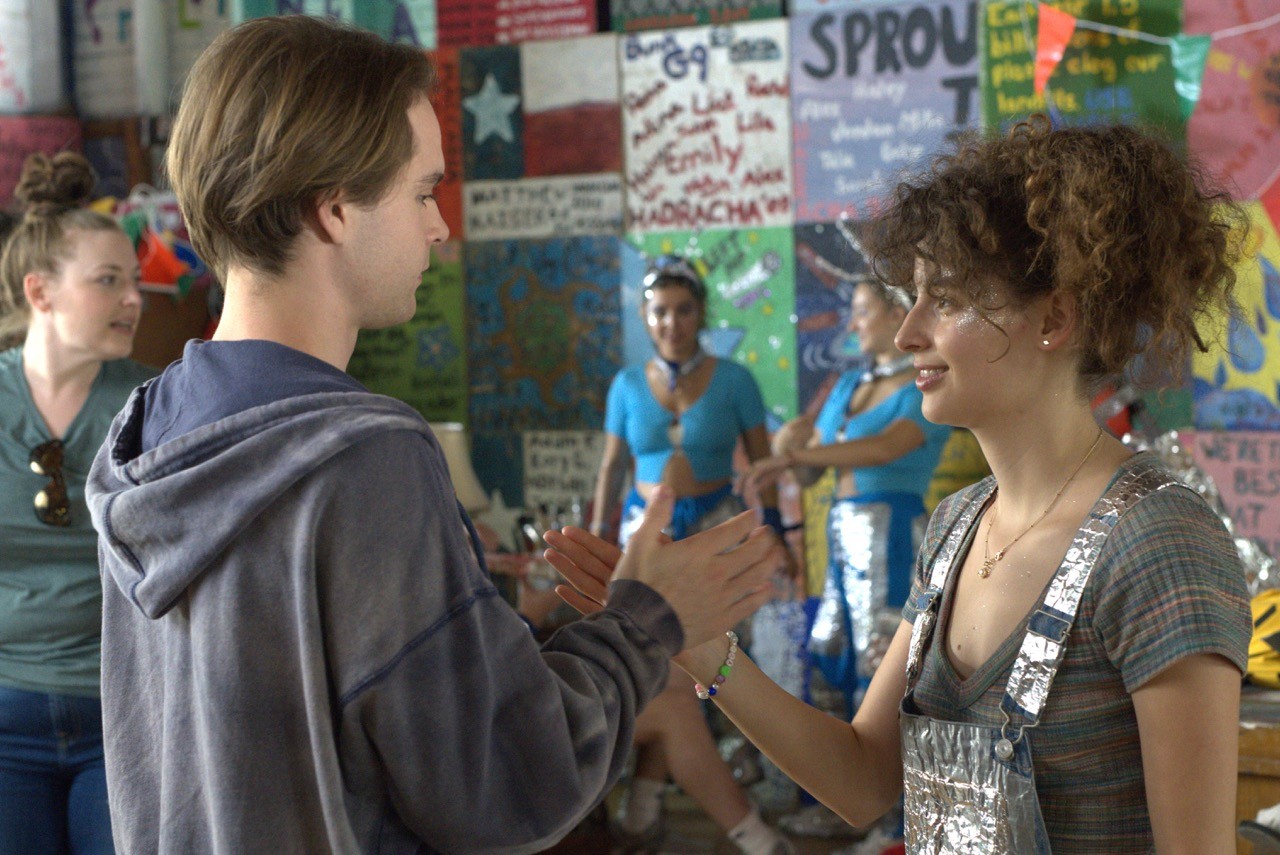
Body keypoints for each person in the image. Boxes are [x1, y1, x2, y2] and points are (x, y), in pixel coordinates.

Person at [84, 16, 783, 854]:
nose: (440, 226)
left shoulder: (141, 432)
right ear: (335, 208)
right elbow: (504, 783)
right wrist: (648, 619)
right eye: (422, 191)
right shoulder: (365, 455)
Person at [546, 116, 1252, 854]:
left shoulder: (1160, 542)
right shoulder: (955, 528)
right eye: (911, 298)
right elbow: (862, 780)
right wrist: (701, 650)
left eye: (943, 299)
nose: (908, 330)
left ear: (1055, 318)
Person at [590, 255, 794, 854]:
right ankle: (647, 807)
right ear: (645, 317)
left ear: (701, 313)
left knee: (709, 660)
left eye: (683, 310)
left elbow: (761, 468)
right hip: (644, 536)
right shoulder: (626, 385)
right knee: (658, 661)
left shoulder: (735, 380)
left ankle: (654, 803)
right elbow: (610, 469)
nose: (671, 323)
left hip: (714, 529)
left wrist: (776, 533)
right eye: (660, 313)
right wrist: (599, 537)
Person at [743, 276, 951, 848]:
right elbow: (813, 472)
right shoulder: (850, 383)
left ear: (895, 312)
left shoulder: (925, 380)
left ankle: (893, 823)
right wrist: (790, 448)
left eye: (862, 311)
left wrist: (798, 457)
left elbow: (887, 448)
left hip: (891, 531)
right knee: (829, 653)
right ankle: (838, 801)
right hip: (839, 535)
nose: (853, 324)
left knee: (881, 667)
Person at [0, 152, 154, 854]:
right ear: (41, 291)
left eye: (135, 281)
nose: (134, 299)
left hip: (122, 714)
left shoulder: (156, 404)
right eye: (108, 281)